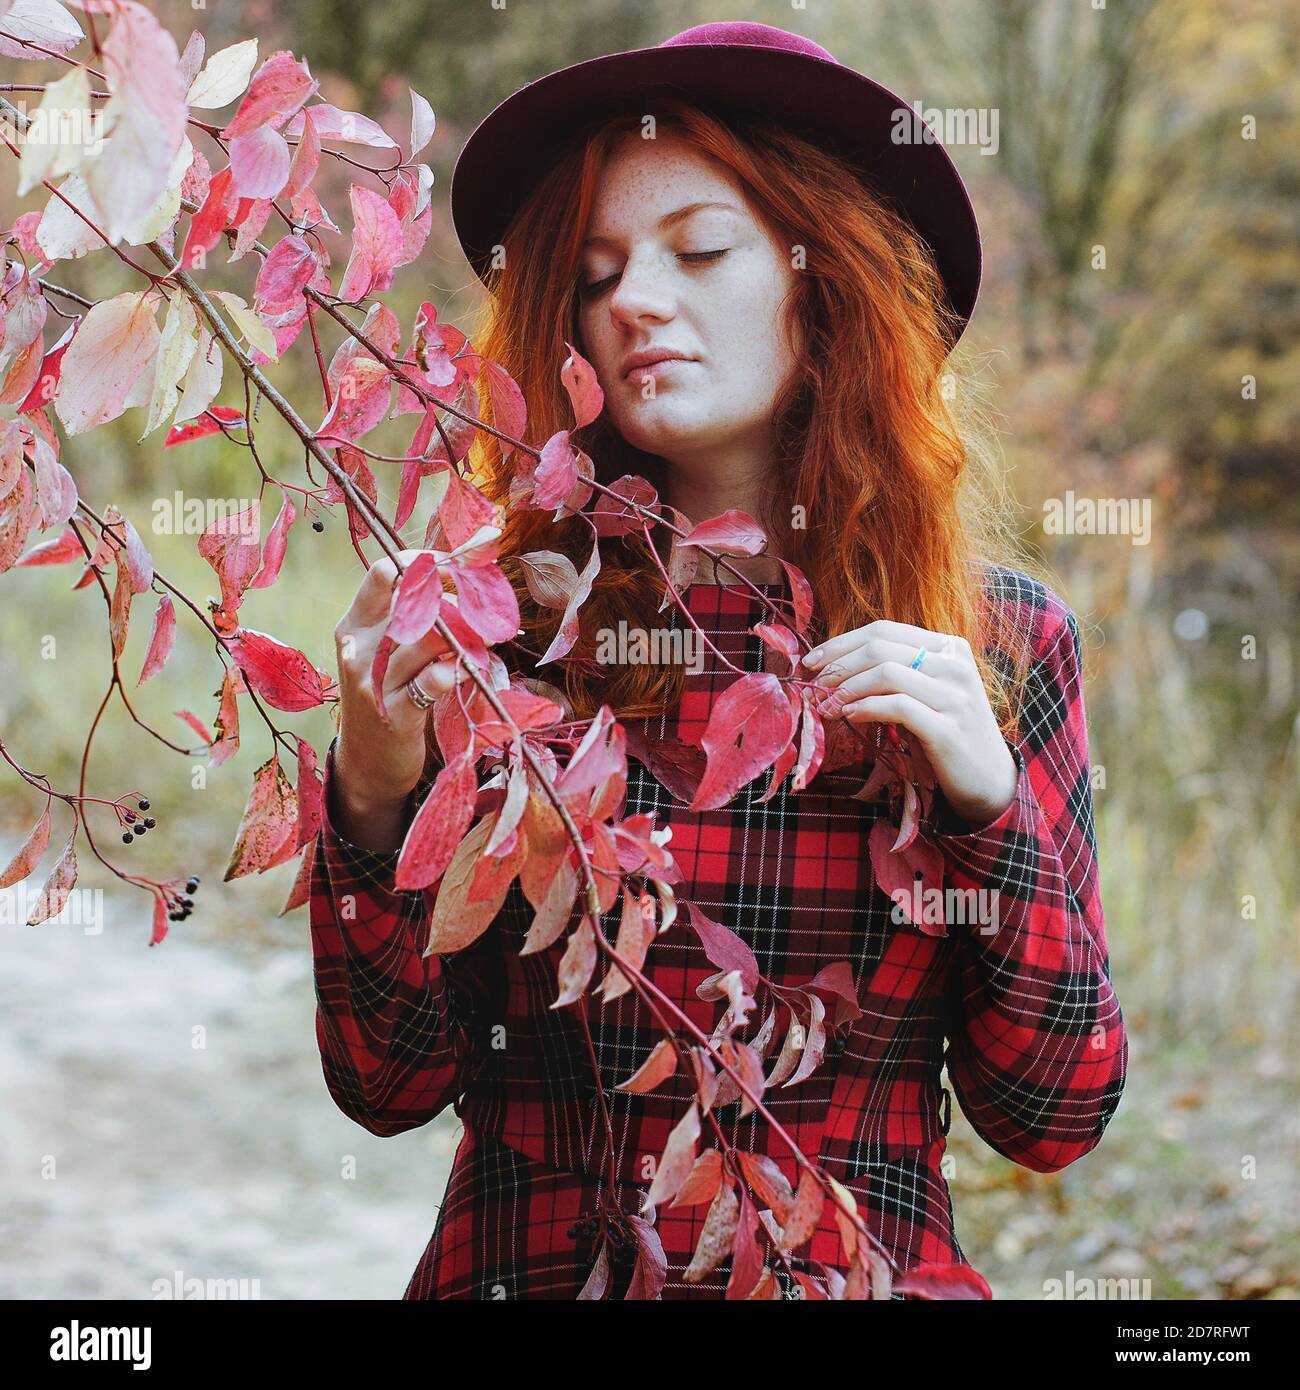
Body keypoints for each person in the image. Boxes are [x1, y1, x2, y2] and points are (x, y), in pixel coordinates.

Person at [309, 22, 1128, 1300]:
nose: (634, 300)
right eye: (593, 275)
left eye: (698, 250)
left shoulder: (998, 647)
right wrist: (369, 796)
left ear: (826, 276)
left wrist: (989, 814)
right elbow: (386, 1085)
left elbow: (1052, 1114)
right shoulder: (497, 638)